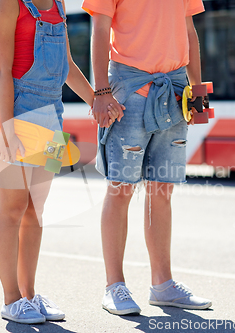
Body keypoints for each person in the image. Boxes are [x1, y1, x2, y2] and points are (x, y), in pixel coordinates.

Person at [0, 0, 117, 324]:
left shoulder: (57, 4)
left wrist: (97, 101)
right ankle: (11, 299)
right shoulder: (5, 5)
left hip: (49, 118)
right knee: (12, 209)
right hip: (14, 113)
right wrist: (7, 129)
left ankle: (29, 295)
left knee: (34, 212)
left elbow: (67, 65)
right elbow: (1, 71)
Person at [82, 0, 213, 315]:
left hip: (177, 89)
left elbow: (189, 31)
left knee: (162, 190)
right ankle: (114, 286)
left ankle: (162, 284)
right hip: (129, 90)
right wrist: (101, 92)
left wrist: (198, 92)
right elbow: (99, 30)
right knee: (120, 188)